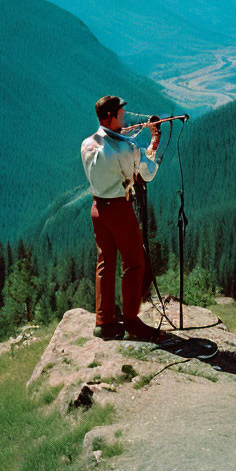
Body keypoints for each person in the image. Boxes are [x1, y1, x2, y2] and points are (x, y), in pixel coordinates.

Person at [80, 95, 162, 341]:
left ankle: (103, 322)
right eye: (121, 115)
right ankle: (131, 322)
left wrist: (123, 133)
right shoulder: (126, 148)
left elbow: (110, 148)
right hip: (119, 210)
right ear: (109, 116)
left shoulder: (87, 144)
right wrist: (155, 137)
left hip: (97, 209)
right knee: (134, 263)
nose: (125, 117)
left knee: (105, 262)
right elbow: (146, 172)